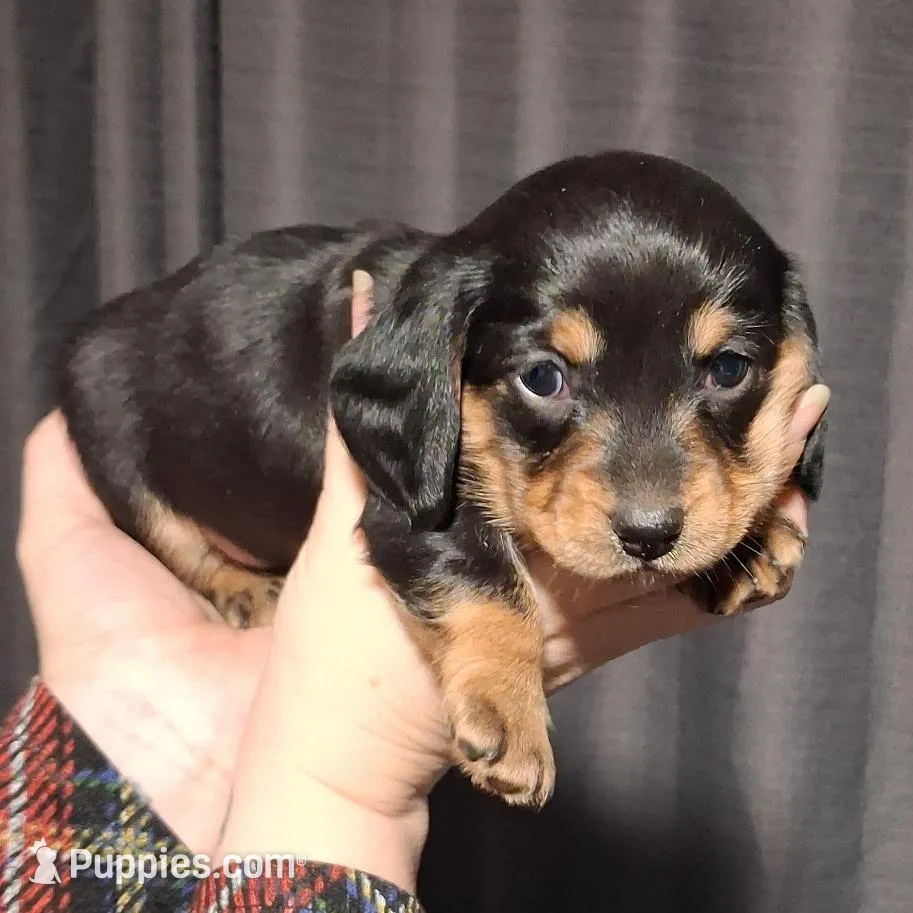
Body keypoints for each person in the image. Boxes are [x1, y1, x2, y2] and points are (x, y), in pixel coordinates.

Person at [0, 275, 830, 911]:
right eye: (545, 376)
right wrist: (335, 792)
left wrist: (147, 733)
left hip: (132, 743)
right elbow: (417, 512)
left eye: (726, 369)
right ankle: (219, 573)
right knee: (103, 370)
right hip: (175, 476)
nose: (649, 502)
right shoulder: (447, 342)